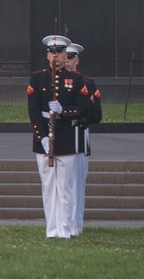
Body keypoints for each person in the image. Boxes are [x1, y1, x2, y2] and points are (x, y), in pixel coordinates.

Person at [27, 34, 92, 239]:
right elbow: (34, 111)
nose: (56, 56)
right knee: (48, 188)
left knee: (66, 188)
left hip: (67, 138)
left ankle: (64, 228)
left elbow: (85, 109)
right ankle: (52, 228)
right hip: (44, 139)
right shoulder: (38, 78)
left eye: (60, 52)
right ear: (48, 55)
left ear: (66, 54)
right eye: (52, 52)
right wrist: (42, 137)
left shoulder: (76, 79)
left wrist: (64, 111)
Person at [64, 42, 101, 236]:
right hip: (62, 136)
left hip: (79, 136)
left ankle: (76, 224)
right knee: (64, 185)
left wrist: (76, 116)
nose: (67, 61)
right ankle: (64, 223)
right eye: (65, 56)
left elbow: (96, 114)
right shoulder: (57, 81)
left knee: (78, 184)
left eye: (70, 57)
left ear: (76, 60)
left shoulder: (87, 82)